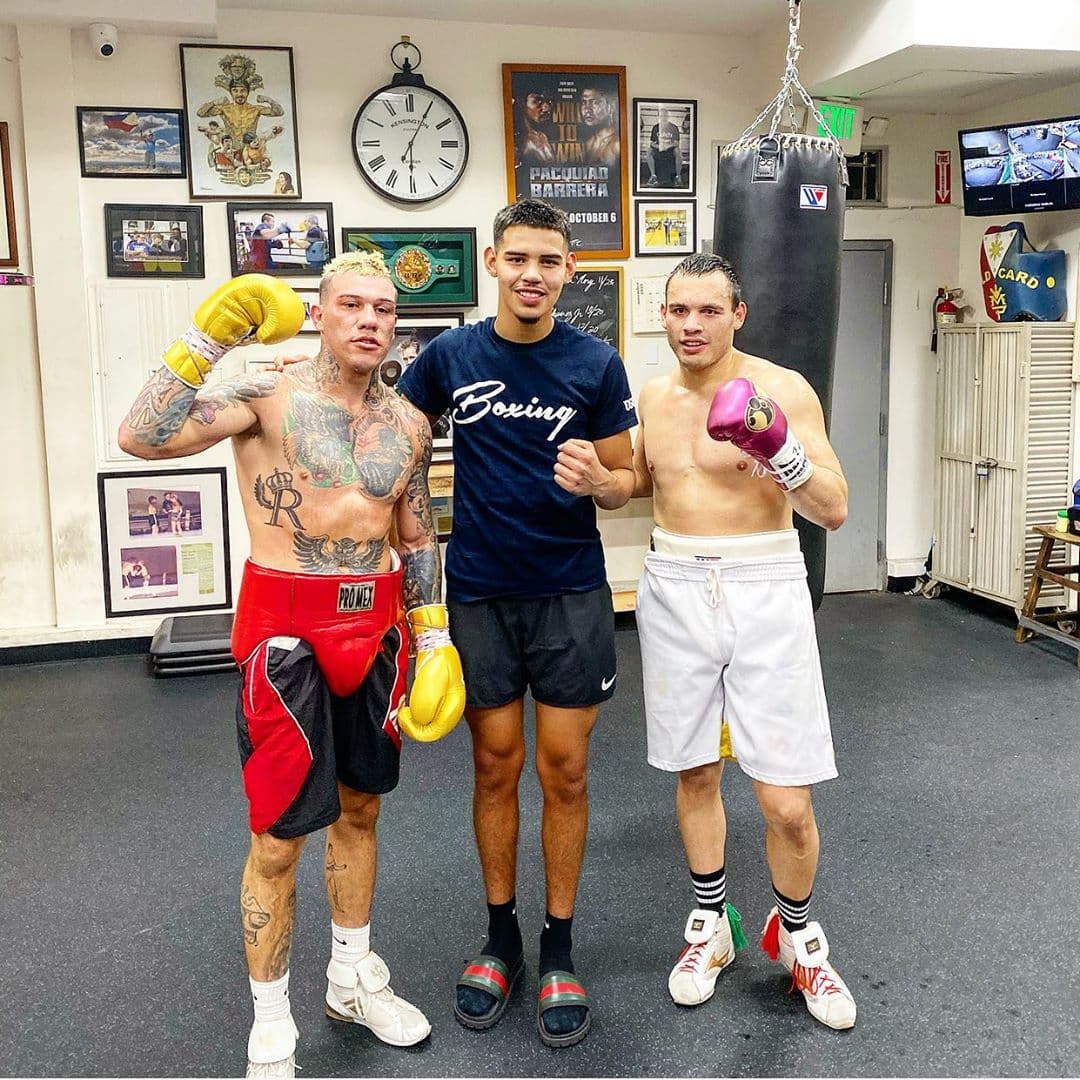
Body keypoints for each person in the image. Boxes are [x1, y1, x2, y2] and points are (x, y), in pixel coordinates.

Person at [116, 254, 466, 1077]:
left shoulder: (410, 424)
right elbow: (140, 436)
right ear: (320, 310)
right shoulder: (265, 392)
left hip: (374, 629)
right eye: (352, 304)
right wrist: (206, 336)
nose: (369, 320)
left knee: (362, 811)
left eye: (383, 307)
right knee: (278, 837)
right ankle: (270, 1017)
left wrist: (436, 638)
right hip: (285, 634)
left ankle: (350, 976)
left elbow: (415, 538)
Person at [396, 199, 637, 1048]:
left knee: (564, 773)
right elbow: (396, 440)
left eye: (550, 261)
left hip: (570, 591)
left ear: (570, 272)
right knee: (496, 765)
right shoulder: (450, 355)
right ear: (494, 262)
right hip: (480, 591)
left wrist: (600, 486)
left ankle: (558, 945)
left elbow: (628, 475)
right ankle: (501, 936)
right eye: (519, 258)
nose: (533, 274)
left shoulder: (596, 362)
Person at [630, 253, 856, 1031]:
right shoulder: (652, 396)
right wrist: (595, 480)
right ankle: (711, 925)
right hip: (674, 586)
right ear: (664, 315)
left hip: (765, 588)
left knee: (786, 802)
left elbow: (832, 508)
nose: (690, 326)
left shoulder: (784, 388)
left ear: (738, 315)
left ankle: (797, 938)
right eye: (678, 311)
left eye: (707, 311)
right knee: (695, 773)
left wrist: (778, 446)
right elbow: (637, 481)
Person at [579, 86, 619, 168]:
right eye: (584, 102)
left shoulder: (617, 144)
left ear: (610, 107)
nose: (587, 110)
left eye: (595, 102)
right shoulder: (589, 142)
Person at [645, 108, 683, 187]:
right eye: (661, 115)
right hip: (658, 149)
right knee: (649, 151)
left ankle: (678, 177)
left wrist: (667, 146)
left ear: (668, 116)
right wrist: (659, 146)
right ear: (659, 116)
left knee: (678, 151)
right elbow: (652, 143)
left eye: (665, 115)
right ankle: (653, 177)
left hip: (670, 149)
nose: (663, 117)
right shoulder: (655, 127)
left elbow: (676, 143)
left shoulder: (673, 127)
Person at [515, 90, 555, 163]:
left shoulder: (542, 136)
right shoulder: (517, 138)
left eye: (549, 102)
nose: (546, 108)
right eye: (537, 102)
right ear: (522, 103)